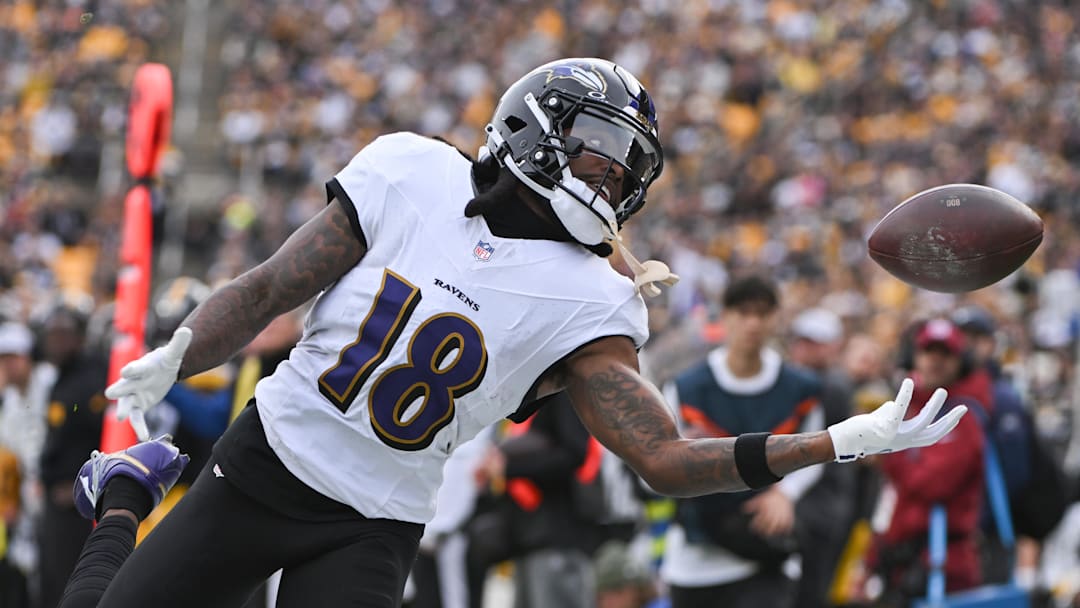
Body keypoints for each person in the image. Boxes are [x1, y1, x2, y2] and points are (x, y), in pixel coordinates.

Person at [57, 58, 964, 608]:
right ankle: (128, 497)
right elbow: (269, 288)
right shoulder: (411, 172)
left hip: (372, 523)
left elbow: (665, 462)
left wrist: (841, 441)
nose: (611, 176)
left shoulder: (594, 302)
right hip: (264, 468)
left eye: (627, 166)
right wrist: (180, 352)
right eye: (598, 148)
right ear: (537, 125)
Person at [659, 276, 824, 608]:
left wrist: (785, 494)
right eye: (742, 312)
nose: (752, 323)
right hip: (696, 557)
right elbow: (655, 460)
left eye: (762, 313)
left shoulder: (801, 389)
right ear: (725, 316)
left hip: (765, 554)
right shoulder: (686, 389)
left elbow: (813, 454)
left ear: (776, 318)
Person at [864, 319, 987, 607]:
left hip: (942, 563)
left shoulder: (963, 417)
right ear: (913, 356)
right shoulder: (902, 409)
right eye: (929, 351)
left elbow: (933, 484)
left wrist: (886, 451)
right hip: (897, 557)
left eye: (946, 354)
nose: (936, 360)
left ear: (960, 362)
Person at [37, 302, 110, 608]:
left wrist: (84, 485)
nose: (57, 341)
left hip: (78, 504)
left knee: (72, 588)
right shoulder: (61, 377)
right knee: (50, 585)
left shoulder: (93, 377)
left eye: (64, 333)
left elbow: (104, 433)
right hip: (54, 500)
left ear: (81, 337)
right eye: (52, 334)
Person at [786, 307, 858, 608]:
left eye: (814, 342)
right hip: (809, 502)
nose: (805, 349)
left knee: (810, 590)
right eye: (802, 340)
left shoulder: (831, 387)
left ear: (833, 346)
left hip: (820, 505)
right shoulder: (804, 382)